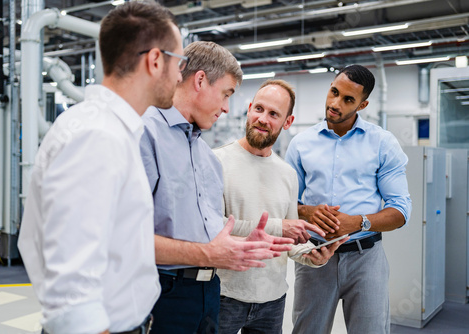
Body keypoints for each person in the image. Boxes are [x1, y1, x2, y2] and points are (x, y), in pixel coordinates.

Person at [17, 2, 184, 334]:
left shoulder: (113, 132)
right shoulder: (97, 137)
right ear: (154, 61)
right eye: (179, 61)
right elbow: (71, 292)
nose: (180, 75)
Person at [140, 41, 294, 334]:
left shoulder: (205, 156)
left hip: (209, 292)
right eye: (226, 94)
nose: (225, 108)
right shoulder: (144, 134)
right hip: (162, 292)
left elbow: (204, 234)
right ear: (200, 80)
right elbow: (125, 238)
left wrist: (243, 246)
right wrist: (210, 255)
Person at [285, 65, 412, 334]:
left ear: (362, 104)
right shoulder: (300, 144)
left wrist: (357, 223)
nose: (335, 103)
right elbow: (284, 204)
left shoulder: (383, 143)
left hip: (366, 259)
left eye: (348, 99)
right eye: (334, 92)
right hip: (314, 257)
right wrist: (308, 213)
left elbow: (401, 211)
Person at [214, 79, 348, 334]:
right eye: (259, 109)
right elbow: (213, 226)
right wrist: (279, 227)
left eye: (274, 114)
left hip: (272, 301)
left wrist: (312, 255)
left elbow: (290, 241)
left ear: (287, 122)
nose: (263, 119)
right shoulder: (217, 161)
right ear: (250, 108)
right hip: (225, 296)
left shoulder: (287, 174)